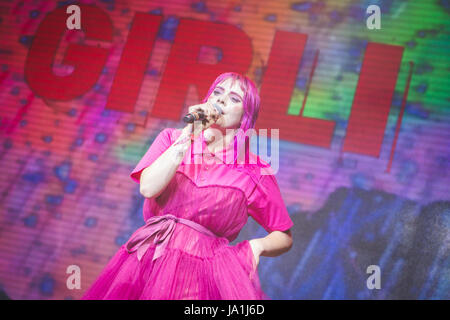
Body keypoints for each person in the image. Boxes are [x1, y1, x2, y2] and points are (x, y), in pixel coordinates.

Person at [82, 72, 294, 300]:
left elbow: (283, 233)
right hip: (149, 257)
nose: (221, 101)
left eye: (234, 98)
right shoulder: (171, 139)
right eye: (218, 92)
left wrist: (256, 247)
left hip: (201, 274)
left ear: (246, 115)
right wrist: (188, 135)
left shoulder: (254, 170)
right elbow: (148, 189)